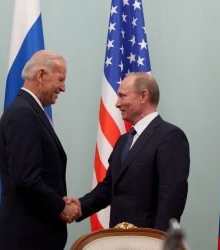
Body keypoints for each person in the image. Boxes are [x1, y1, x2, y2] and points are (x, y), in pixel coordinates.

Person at [66, 72, 190, 231]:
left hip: (147, 239)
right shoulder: (123, 140)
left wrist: (159, 241)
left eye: (122, 96)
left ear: (143, 96)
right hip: (118, 237)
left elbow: (172, 196)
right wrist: (80, 206)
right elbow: (109, 187)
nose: (117, 104)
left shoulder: (170, 136)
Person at [0, 50, 80, 250]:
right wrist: (61, 207)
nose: (63, 88)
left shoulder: (28, 111)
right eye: (60, 79)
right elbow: (26, 178)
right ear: (41, 75)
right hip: (27, 237)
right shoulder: (23, 114)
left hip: (35, 234)